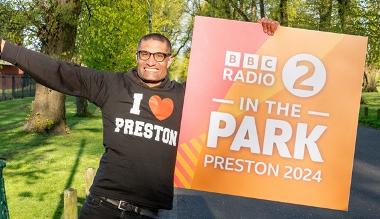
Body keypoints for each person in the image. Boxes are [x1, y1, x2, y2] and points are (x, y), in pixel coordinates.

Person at [0, 18, 279, 219]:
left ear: (169, 60)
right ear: (137, 56)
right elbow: (59, 71)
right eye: (145, 53)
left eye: (159, 55)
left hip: (149, 213)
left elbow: (243, 92)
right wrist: (5, 49)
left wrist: (267, 40)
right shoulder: (111, 85)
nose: (151, 61)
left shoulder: (188, 98)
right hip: (101, 207)